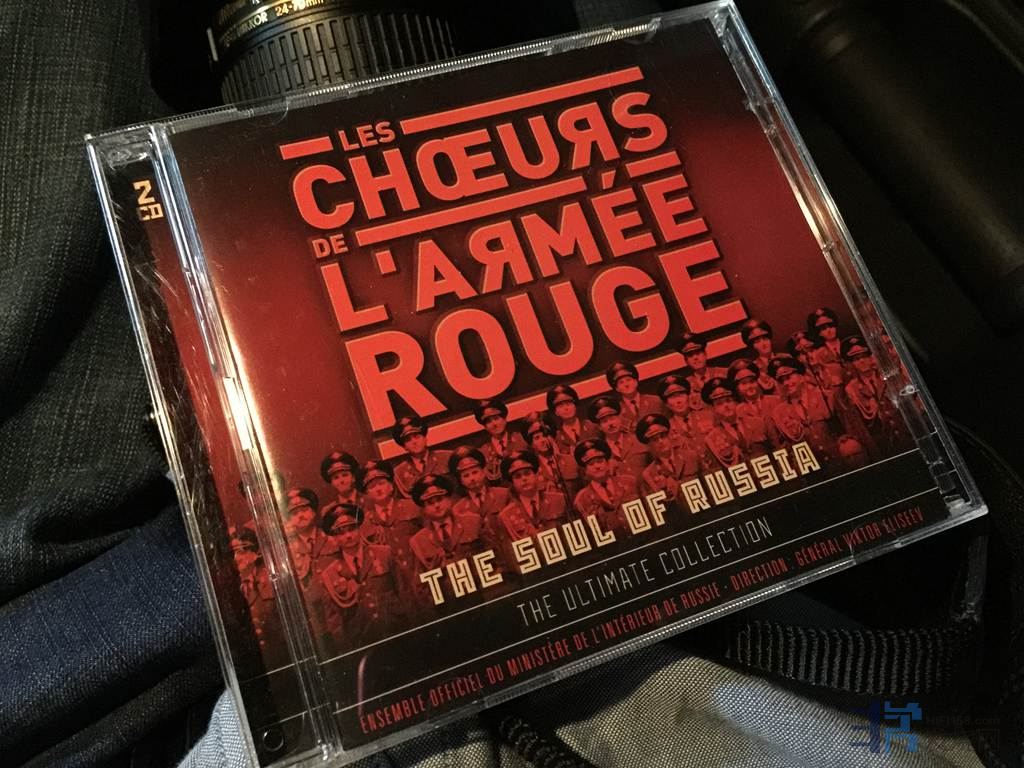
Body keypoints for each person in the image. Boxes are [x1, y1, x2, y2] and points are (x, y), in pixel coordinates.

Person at [317, 501, 400, 648]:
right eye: (341, 532)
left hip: (396, 631)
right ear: (334, 537)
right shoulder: (330, 575)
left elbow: (405, 592)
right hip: (362, 643)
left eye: (352, 529)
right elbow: (335, 622)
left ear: (359, 528)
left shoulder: (384, 554)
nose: (348, 535)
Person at [837, 334, 910, 456]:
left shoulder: (887, 377)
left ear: (871, 357)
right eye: (856, 359)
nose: (862, 361)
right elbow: (858, 424)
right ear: (851, 364)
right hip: (882, 445)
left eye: (864, 356)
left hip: (905, 434)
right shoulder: (851, 389)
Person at [407, 474, 482, 582]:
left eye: (440, 499)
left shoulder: (472, 522)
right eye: (430, 503)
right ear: (423, 509)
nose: (437, 505)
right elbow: (421, 583)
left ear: (449, 500)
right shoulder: (418, 542)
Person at [358, 458, 420, 585]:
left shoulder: (412, 507)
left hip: (419, 572)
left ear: (391, 486)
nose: (378, 489)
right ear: (367, 494)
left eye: (381, 483)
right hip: (393, 582)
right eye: (372, 486)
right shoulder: (365, 524)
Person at [768, 354, 838, 462]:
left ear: (801, 376)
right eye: (781, 381)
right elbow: (785, 448)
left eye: (789, 377)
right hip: (812, 466)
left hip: (837, 459)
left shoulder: (825, 396)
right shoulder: (779, 413)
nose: (786, 383)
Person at [449, 446, 508, 556]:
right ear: (460, 481)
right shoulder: (458, 510)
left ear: (483, 472)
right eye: (466, 475)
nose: (472, 478)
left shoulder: (503, 494)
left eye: (475, 472)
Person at [572, 438, 637, 535]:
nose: (597, 466)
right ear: (585, 470)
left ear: (608, 463)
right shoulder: (582, 500)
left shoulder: (629, 482)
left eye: (600, 461)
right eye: (591, 464)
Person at [636, 414, 699, 500]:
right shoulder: (649, 475)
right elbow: (656, 504)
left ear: (669, 436)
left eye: (663, 436)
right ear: (649, 445)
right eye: (654, 439)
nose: (660, 441)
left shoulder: (691, 456)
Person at [728, 359, 782, 456]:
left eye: (752, 381)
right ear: (738, 388)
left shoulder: (775, 401)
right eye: (744, 383)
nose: (749, 386)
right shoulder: (738, 411)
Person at [587, 395, 649, 479]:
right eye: (604, 421)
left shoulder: (638, 440)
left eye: (612, 418)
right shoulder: (599, 452)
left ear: (620, 418)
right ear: (599, 427)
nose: (610, 424)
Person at [547, 384, 597, 486]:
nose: (566, 408)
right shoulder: (556, 439)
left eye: (569, 403)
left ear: (575, 405)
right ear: (556, 412)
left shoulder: (593, 427)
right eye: (560, 406)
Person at [392, 416, 452, 498]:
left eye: (417, 436)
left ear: (425, 438)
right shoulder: (399, 473)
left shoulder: (447, 457)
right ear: (404, 447)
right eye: (408, 440)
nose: (414, 442)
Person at [521, 412, 575, 497]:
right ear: (531, 444)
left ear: (553, 436)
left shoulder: (571, 460)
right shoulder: (532, 472)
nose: (543, 440)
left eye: (546, 435)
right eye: (537, 438)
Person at [475, 398, 528, 485]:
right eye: (489, 422)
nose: (494, 424)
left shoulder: (521, 439)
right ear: (485, 427)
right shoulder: (484, 452)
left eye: (496, 418)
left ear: (505, 419)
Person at [699, 378, 748, 471]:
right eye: (719, 403)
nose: (726, 406)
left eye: (728, 401)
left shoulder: (756, 422)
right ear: (713, 409)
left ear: (735, 402)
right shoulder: (712, 438)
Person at [606, 361, 661, 434]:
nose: (626, 384)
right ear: (617, 388)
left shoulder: (656, 401)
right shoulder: (616, 413)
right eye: (621, 382)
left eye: (628, 380)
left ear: (636, 382)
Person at [807, 307, 845, 408]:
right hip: (837, 396)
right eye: (823, 328)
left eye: (831, 326)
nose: (828, 330)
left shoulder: (846, 345)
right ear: (818, 333)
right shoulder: (818, 355)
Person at [679, 331, 727, 412]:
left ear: (705, 354)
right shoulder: (686, 386)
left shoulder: (724, 374)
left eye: (698, 353)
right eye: (690, 355)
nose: (695, 358)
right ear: (686, 361)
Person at [740, 318, 779, 394]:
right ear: (752, 346)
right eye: (757, 342)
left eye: (765, 339)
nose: (763, 344)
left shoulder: (786, 358)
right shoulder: (753, 369)